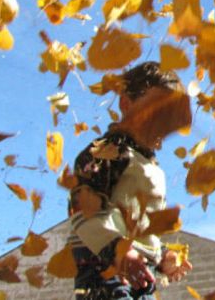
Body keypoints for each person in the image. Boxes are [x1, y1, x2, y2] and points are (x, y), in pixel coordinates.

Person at [67, 61, 193, 299]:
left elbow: (141, 231)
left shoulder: (150, 166)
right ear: (126, 104)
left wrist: (162, 257)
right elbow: (82, 209)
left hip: (141, 279)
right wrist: (117, 251)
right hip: (105, 274)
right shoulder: (109, 151)